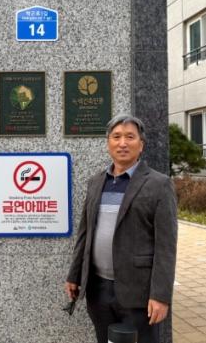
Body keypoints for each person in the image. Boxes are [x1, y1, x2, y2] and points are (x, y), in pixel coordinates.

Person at [65, 115, 177, 343]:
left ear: (141, 144)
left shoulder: (159, 184)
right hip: (98, 290)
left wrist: (161, 296)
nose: (122, 143)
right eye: (116, 137)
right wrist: (74, 275)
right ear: (108, 143)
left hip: (139, 293)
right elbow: (85, 234)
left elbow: (166, 246)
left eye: (129, 137)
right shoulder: (96, 182)